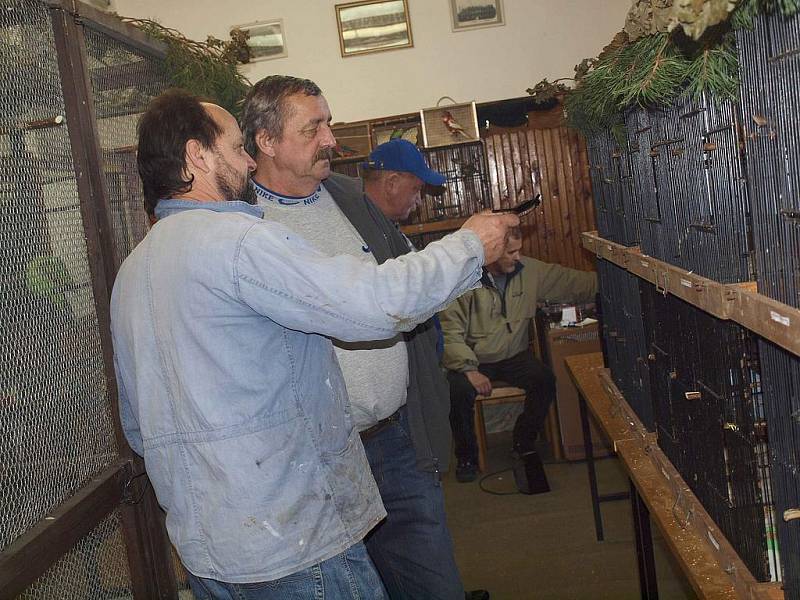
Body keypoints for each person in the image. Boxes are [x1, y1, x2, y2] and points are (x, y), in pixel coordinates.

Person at [111, 88, 517, 599]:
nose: (247, 163)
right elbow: (374, 304)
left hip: (209, 551)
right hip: (293, 544)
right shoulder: (237, 243)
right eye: (238, 149)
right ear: (197, 156)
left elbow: (138, 425)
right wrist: (470, 246)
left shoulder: (133, 272)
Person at [241, 78, 477, 600]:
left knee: (435, 585)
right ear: (266, 141)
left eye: (328, 122)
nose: (331, 138)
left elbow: (401, 292)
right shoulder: (243, 227)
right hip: (317, 460)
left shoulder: (350, 197)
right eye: (313, 128)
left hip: (397, 440)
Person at [440, 227, 597, 484]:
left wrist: (610, 277)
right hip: (475, 359)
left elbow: (571, 282)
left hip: (514, 356)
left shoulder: (530, 271)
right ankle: (467, 456)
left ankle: (523, 442)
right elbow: (449, 332)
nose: (517, 256)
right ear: (491, 253)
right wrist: (469, 370)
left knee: (544, 379)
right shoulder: (463, 283)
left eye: (519, 250)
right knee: (457, 391)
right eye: (511, 252)